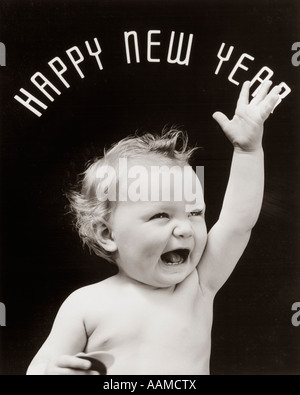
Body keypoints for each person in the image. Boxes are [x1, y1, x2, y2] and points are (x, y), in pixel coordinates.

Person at [27, 81, 280, 375]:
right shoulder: (84, 305)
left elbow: (238, 223)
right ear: (107, 234)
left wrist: (247, 151)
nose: (185, 229)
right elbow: (40, 367)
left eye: (195, 212)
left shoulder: (197, 285)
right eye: (161, 215)